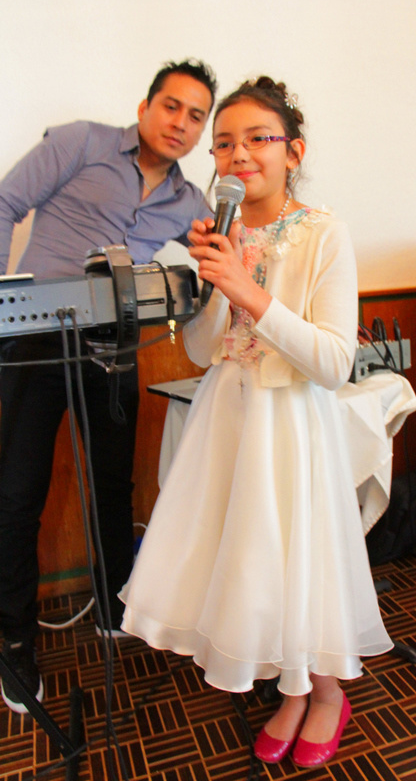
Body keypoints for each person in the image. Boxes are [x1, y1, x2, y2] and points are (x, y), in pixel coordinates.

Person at [119, 76, 393, 768]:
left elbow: (333, 361)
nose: (237, 155)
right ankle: (290, 692)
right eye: (223, 144)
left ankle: (325, 693)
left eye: (256, 139)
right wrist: (217, 283)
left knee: (298, 558)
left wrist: (249, 290)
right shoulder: (224, 231)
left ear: (292, 151)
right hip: (229, 417)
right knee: (249, 562)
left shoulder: (325, 232)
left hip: (292, 422)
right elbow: (201, 350)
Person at [0, 59, 217, 715]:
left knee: (113, 483)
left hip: (116, 344)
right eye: (171, 106)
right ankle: (15, 641)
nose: (181, 124)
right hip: (36, 338)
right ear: (146, 107)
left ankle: (111, 602)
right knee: (16, 494)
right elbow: (6, 202)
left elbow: (223, 251)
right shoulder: (81, 142)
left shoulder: (189, 202)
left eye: (196, 117)